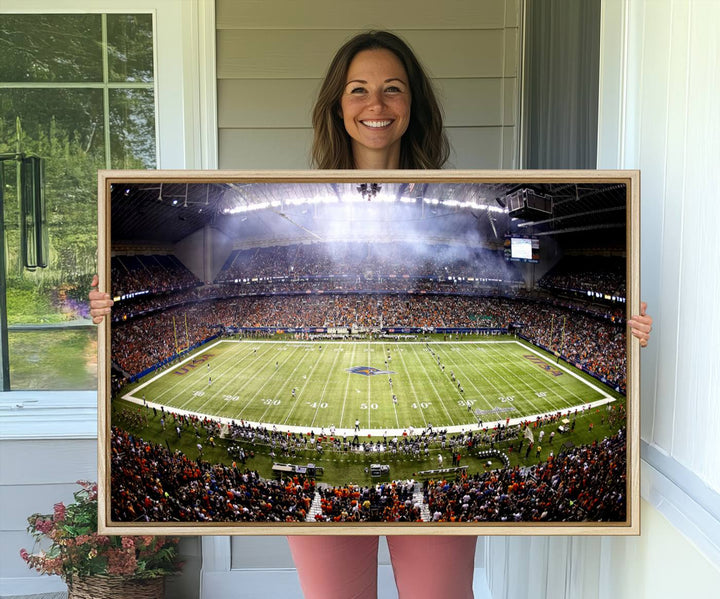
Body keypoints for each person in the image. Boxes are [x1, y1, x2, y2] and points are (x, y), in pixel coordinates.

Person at [89, 29, 654, 599]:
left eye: (393, 89)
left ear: (413, 105)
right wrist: (105, 311)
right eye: (358, 89)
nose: (375, 104)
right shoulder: (290, 191)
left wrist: (627, 331)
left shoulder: (457, 195)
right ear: (338, 104)